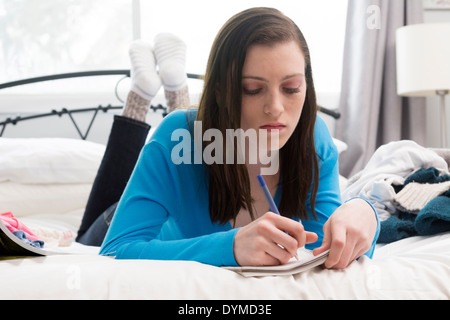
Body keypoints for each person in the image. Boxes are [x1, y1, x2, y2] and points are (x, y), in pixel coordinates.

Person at [80, 7, 380, 270]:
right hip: (111, 220)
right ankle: (143, 93)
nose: (275, 108)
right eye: (252, 89)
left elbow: (324, 252)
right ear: (222, 92)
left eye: (291, 88)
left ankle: (175, 94)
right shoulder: (176, 138)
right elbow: (116, 250)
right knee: (90, 226)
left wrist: (366, 214)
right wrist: (231, 247)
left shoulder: (314, 139)